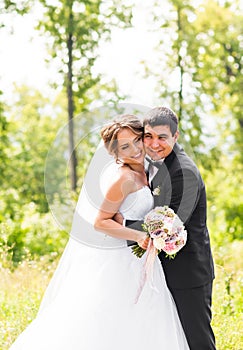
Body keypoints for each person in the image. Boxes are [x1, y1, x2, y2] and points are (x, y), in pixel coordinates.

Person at [9, 114, 189, 350]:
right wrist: (139, 236)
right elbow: (100, 221)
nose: (135, 149)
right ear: (115, 154)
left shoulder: (146, 171)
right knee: (111, 321)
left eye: (137, 140)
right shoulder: (123, 179)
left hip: (144, 261)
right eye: (125, 146)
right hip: (121, 262)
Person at [125, 107, 216, 349]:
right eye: (148, 136)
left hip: (187, 273)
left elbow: (166, 228)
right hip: (162, 270)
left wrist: (117, 224)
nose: (154, 144)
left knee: (197, 340)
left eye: (162, 137)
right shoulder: (150, 163)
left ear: (175, 137)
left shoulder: (183, 172)